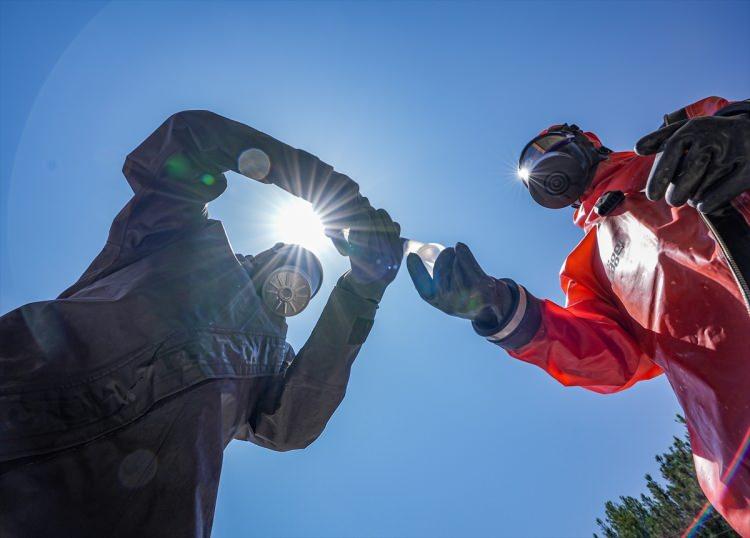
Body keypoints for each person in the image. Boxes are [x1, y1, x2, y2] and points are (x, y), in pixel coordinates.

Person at [0, 110, 403, 537]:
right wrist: (320, 185)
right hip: (21, 398)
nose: (291, 290)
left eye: (305, 289)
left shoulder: (266, 370)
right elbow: (188, 140)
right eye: (293, 268)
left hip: (133, 514)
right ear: (268, 254)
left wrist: (363, 287)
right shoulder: (178, 238)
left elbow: (293, 424)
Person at [407, 96, 750, 534]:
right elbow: (611, 360)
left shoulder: (690, 136)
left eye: (544, 147)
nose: (541, 165)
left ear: (586, 140)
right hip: (737, 448)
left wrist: (742, 129)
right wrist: (503, 311)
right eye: (530, 169)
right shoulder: (588, 268)